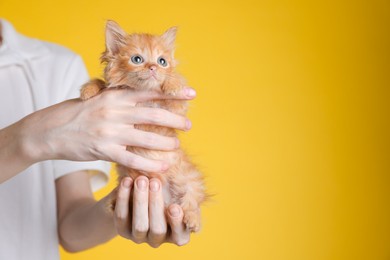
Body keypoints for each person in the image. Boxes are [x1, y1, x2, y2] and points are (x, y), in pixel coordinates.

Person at [0, 19, 196, 259]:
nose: (153, 67)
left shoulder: (58, 64)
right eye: (138, 59)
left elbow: (71, 231)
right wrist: (29, 137)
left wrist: (126, 205)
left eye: (161, 61)